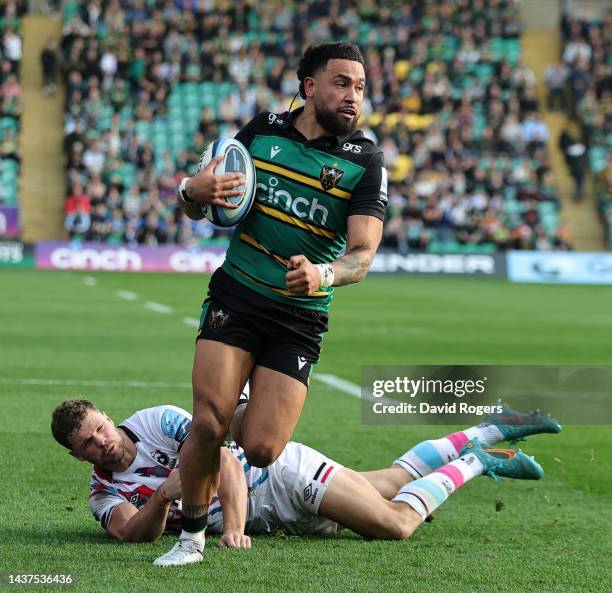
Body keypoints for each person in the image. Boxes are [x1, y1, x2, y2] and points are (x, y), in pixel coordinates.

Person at [169, 42, 388, 565]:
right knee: (205, 422)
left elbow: (362, 256)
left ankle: (231, 411)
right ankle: (191, 538)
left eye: (359, 87)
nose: (353, 96)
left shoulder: (366, 161)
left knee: (265, 447)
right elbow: (212, 209)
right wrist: (190, 191)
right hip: (237, 295)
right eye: (341, 83)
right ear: (309, 87)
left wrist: (322, 273)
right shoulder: (261, 132)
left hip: (299, 316)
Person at [51, 398, 560, 564]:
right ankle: (489, 427)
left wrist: (231, 526)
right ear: (79, 458)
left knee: (394, 523)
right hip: (278, 511)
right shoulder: (104, 493)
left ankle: (482, 459)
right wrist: (164, 495)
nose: (102, 442)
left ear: (105, 415)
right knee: (389, 482)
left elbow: (224, 461)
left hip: (279, 478)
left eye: (98, 427)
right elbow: (128, 532)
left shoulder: (158, 421)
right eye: (89, 445)